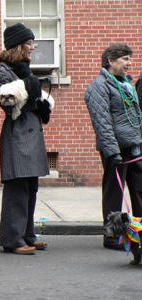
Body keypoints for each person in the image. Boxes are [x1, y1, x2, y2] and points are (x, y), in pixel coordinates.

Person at [0, 23, 53, 255]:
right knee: (17, 189)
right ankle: (12, 239)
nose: (33, 47)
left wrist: (41, 105)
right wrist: (27, 84)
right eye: (29, 43)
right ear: (17, 45)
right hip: (17, 134)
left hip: (31, 133)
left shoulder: (23, 69)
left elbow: (33, 95)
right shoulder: (3, 70)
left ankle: (27, 235)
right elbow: (6, 102)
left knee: (30, 187)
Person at [84, 43, 142, 250]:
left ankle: (139, 232)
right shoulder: (99, 86)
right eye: (125, 59)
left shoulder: (126, 83)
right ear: (111, 61)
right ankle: (111, 236)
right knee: (114, 192)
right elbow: (102, 122)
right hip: (115, 148)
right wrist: (112, 151)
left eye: (129, 58)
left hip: (134, 146)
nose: (130, 63)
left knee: (139, 189)